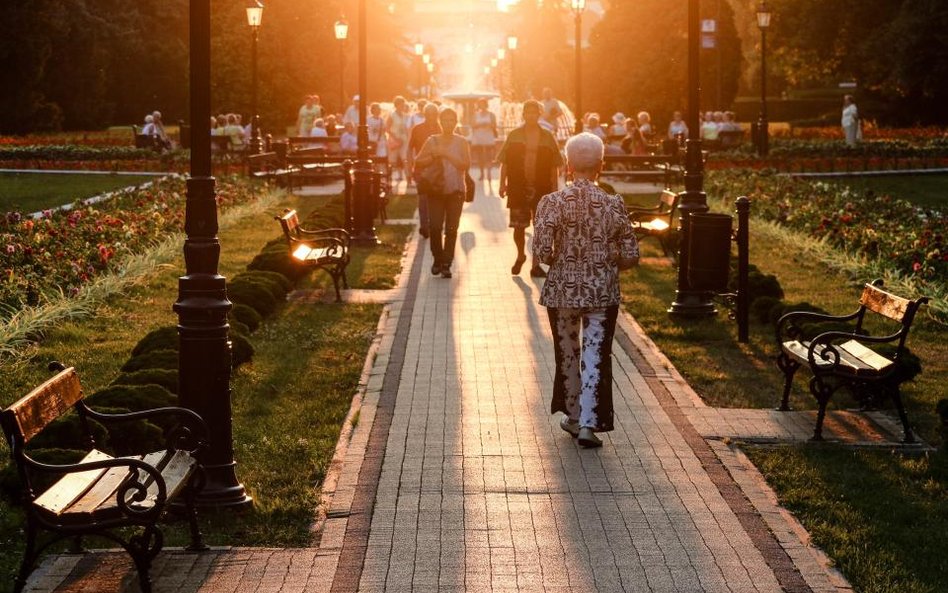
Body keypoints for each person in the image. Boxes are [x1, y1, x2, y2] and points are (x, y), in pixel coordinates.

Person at [533, 132, 639, 448]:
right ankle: (588, 426)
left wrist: (560, 259)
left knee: (567, 352)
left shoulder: (551, 203)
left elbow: (542, 250)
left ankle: (574, 414)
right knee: (596, 353)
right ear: (600, 165)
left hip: (562, 291)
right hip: (602, 292)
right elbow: (631, 255)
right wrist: (608, 262)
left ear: (568, 165)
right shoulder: (612, 204)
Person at [497, 99, 563, 277]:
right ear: (523, 114)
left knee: (540, 228)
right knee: (519, 227)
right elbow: (505, 162)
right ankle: (520, 255)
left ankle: (536, 265)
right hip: (518, 187)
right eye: (528, 112)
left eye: (534, 112)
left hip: (542, 188)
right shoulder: (514, 135)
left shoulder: (547, 136)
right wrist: (502, 184)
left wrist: (555, 190)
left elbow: (554, 166)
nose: (531, 115)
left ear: (539, 114)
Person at [413, 107, 471, 278]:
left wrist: (446, 154)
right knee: (435, 227)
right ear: (440, 121)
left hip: (456, 191)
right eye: (444, 120)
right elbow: (418, 162)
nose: (448, 123)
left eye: (451, 120)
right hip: (436, 190)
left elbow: (465, 165)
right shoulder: (432, 141)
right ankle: (437, 258)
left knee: (452, 229)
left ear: (455, 122)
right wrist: (432, 156)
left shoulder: (461, 142)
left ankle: (447, 263)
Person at [408, 103, 441, 239]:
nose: (431, 117)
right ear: (425, 115)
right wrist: (409, 166)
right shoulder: (417, 129)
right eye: (429, 114)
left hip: (437, 169)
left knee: (436, 198)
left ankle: (435, 224)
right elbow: (410, 148)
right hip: (421, 168)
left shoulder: (441, 129)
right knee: (423, 198)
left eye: (434, 114)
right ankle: (424, 226)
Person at [470, 98, 498, 182]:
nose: (481, 106)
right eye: (480, 104)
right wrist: (479, 125)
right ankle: (482, 173)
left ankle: (489, 173)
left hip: (488, 137)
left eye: (483, 104)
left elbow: (494, 125)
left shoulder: (491, 115)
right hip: (478, 137)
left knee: (489, 156)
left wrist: (489, 124)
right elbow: (472, 125)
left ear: (486, 105)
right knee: (480, 157)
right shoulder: (476, 115)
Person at [386, 96, 411, 182]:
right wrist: (395, 138)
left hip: (404, 140)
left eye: (403, 105)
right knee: (392, 161)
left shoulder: (405, 116)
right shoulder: (392, 115)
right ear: (397, 105)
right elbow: (387, 128)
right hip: (394, 139)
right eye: (401, 105)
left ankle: (408, 179)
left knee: (405, 159)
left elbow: (406, 128)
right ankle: (389, 179)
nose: (403, 106)